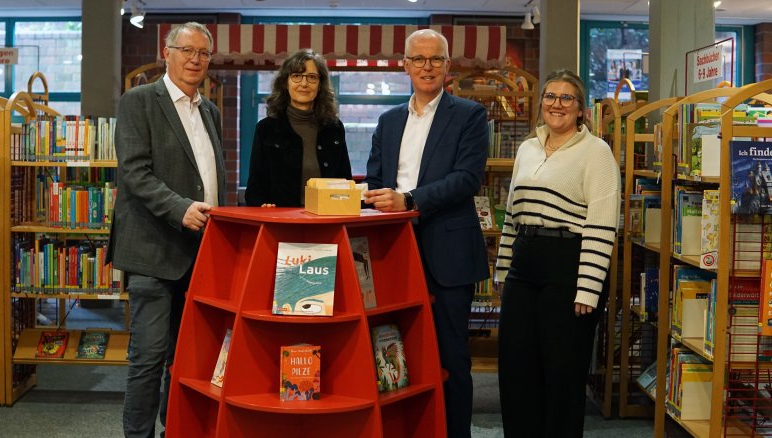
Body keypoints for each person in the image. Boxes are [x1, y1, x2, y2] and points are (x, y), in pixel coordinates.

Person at [362, 28, 489, 438]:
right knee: (396, 351)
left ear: (448, 66)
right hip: (393, 252)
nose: (427, 66)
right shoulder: (388, 120)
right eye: (418, 59)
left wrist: (410, 200)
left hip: (448, 253)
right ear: (405, 66)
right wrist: (375, 198)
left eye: (435, 59)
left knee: (451, 357)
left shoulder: (469, 115)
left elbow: (467, 179)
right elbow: (377, 178)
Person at [105, 22, 225, 438]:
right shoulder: (139, 101)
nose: (195, 59)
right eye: (186, 50)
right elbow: (134, 173)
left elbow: (210, 178)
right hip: (153, 253)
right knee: (149, 357)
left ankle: (174, 427)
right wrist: (179, 208)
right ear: (167, 52)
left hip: (199, 255)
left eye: (203, 53)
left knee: (187, 357)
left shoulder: (209, 110)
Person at [494, 69, 620, 438]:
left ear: (581, 109)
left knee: (562, 374)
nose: (557, 104)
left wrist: (588, 289)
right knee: (516, 368)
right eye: (550, 97)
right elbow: (512, 214)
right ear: (541, 104)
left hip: (570, 264)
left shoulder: (596, 152)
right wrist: (504, 270)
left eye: (567, 98)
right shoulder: (528, 147)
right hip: (525, 261)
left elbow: (602, 222)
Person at [245, 48, 351, 207]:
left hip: (326, 221)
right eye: (296, 76)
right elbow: (255, 190)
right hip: (281, 224)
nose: (304, 83)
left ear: (320, 84)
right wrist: (263, 207)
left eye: (311, 77)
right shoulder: (266, 129)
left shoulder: (334, 128)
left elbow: (345, 183)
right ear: (285, 83)